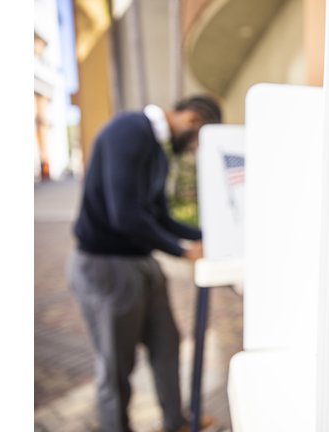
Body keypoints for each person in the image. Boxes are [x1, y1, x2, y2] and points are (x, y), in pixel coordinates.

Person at [68, 96, 222, 432]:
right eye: (199, 139)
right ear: (193, 119)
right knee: (116, 365)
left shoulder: (156, 146)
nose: (195, 148)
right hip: (108, 264)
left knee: (167, 344)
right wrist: (181, 252)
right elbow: (124, 216)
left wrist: (208, 236)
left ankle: (175, 422)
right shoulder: (129, 130)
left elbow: (158, 215)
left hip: (142, 261)